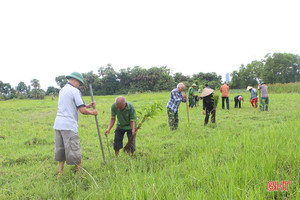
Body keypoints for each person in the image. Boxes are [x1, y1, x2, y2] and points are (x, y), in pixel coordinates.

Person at [53, 72, 98, 175]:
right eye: (79, 83)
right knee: (74, 149)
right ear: (75, 81)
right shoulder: (75, 91)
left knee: (61, 149)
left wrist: (88, 106)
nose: (79, 85)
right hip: (69, 125)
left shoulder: (62, 90)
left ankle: (60, 172)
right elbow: (82, 110)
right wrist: (92, 112)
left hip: (58, 125)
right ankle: (78, 173)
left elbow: (73, 106)